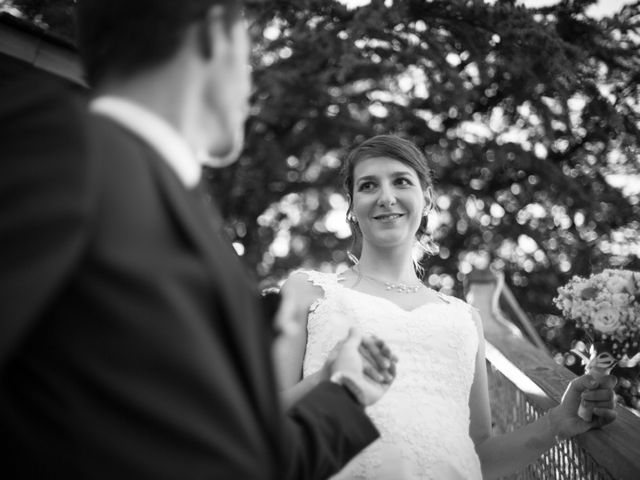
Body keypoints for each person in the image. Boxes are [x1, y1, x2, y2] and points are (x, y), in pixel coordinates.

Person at [0, 1, 399, 478]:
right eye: (250, 58)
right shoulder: (62, 144)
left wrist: (348, 391)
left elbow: (247, 456)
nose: (250, 87)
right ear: (215, 37)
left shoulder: (204, 236)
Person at [275, 134, 618, 480]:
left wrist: (559, 422)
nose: (386, 197)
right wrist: (326, 380)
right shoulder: (309, 292)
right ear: (352, 205)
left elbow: (479, 454)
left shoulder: (465, 318)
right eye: (368, 186)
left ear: (426, 199)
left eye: (401, 182)